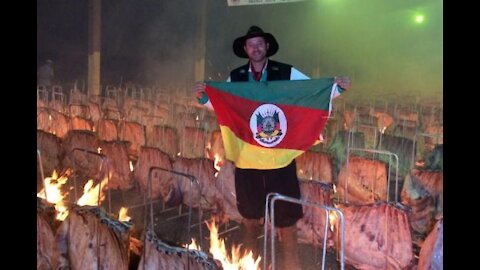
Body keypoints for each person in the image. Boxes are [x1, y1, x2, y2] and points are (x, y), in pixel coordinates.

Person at [194, 25, 351, 269]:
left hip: (280, 160)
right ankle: (248, 264)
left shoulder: (286, 72)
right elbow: (223, 107)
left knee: (287, 222)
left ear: (267, 46)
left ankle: (292, 266)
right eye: (251, 44)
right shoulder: (235, 78)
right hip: (248, 160)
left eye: (260, 43)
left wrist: (336, 89)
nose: (255, 48)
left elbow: (311, 92)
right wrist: (205, 99)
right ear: (245, 49)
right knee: (249, 219)